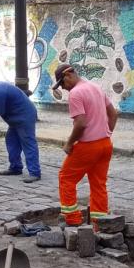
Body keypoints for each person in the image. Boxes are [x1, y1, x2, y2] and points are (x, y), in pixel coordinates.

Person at [52, 64, 119, 227]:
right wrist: (106, 132)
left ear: (68, 75)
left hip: (88, 146)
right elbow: (114, 113)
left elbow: (81, 123)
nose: (64, 88)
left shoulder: (76, 93)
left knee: (66, 178)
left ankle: (72, 219)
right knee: (98, 184)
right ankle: (100, 224)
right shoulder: (95, 87)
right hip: (105, 145)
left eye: (62, 83)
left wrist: (69, 143)